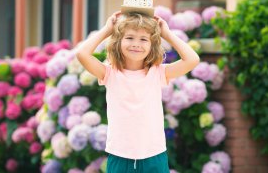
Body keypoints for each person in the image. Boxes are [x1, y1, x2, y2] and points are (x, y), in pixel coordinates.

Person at [76, 11, 200, 173]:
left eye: (143, 39)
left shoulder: (158, 73)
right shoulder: (110, 73)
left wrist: (167, 34)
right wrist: (107, 30)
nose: (136, 44)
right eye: (129, 38)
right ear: (118, 42)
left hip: (154, 155)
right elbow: (81, 53)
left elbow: (192, 60)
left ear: (152, 45)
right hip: (120, 155)